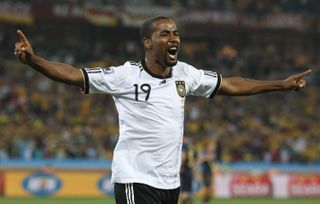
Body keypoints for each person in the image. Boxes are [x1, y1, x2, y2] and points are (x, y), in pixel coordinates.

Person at [14, 16, 311, 204]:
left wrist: (280, 85)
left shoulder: (186, 73)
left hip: (170, 183)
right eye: (166, 33)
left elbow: (230, 85)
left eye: (176, 33)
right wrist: (34, 61)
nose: (174, 38)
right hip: (135, 179)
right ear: (147, 42)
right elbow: (74, 75)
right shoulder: (125, 76)